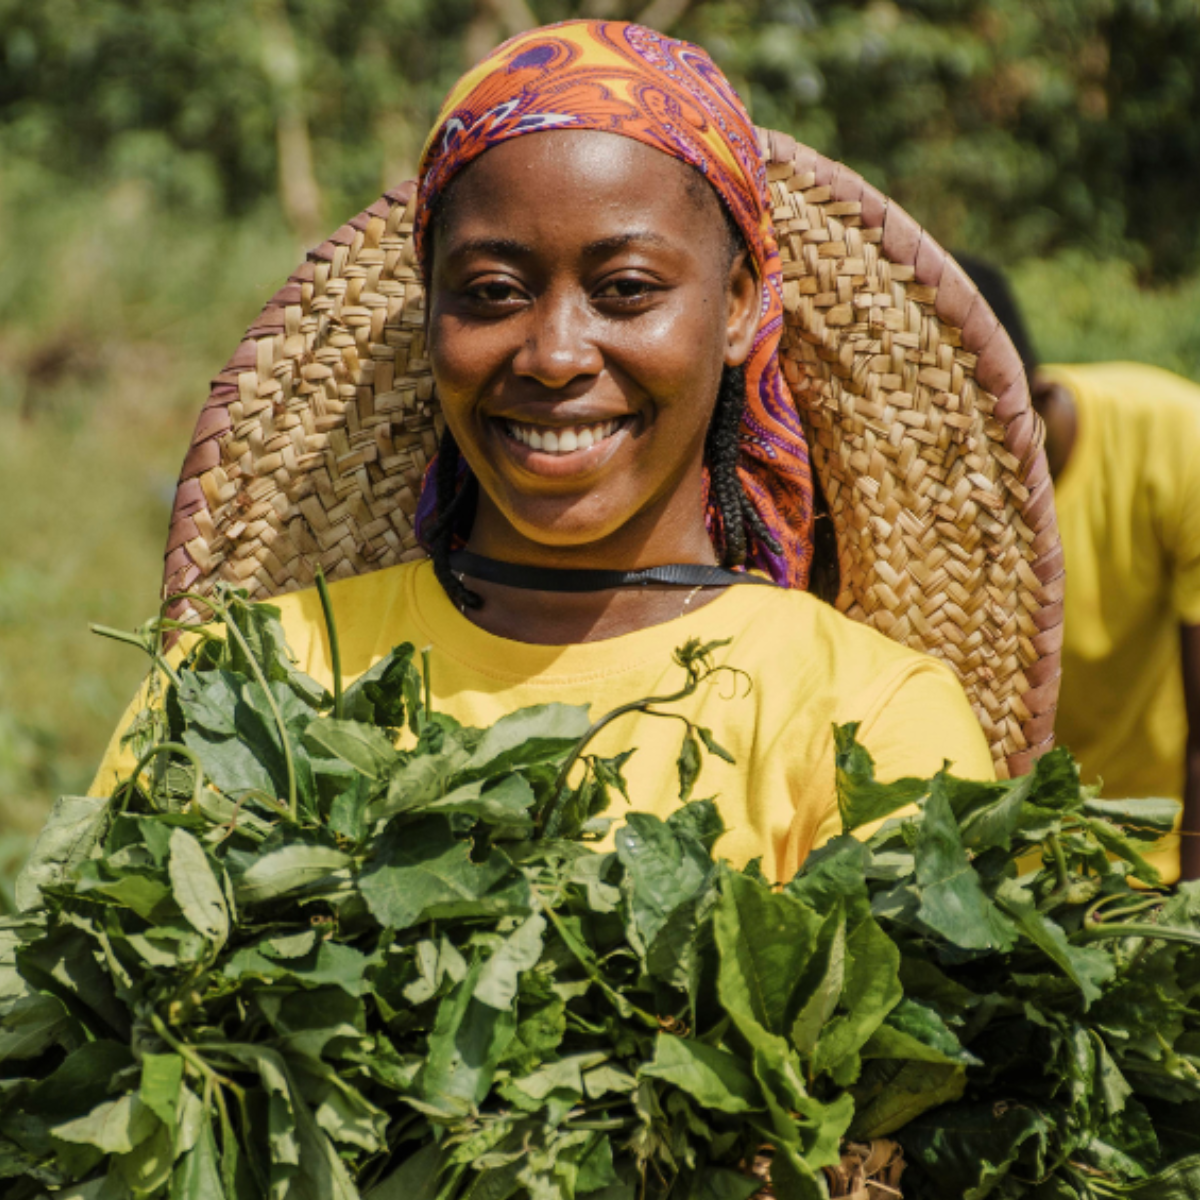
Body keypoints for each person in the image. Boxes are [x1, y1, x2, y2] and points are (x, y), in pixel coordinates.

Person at [92, 21, 993, 882]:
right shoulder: (252, 689)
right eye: (492, 291)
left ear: (738, 305)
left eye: (626, 289)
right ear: (432, 310)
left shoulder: (867, 723)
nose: (555, 355)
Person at [959, 257, 1200, 882]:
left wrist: (1187, 909)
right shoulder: (930, 489)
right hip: (1007, 865)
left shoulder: (1176, 442)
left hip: (1152, 858)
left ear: (1038, 398)